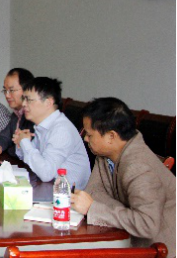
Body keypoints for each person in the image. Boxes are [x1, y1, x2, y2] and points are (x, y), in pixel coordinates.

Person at [71, 98, 176, 257]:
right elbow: (93, 192)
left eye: (90, 135)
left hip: (159, 249)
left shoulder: (139, 166)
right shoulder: (106, 154)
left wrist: (93, 208)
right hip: (126, 239)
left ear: (111, 136)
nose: (85, 139)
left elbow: (147, 224)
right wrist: (125, 211)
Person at [14, 77, 90, 189]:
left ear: (48, 102)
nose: (24, 104)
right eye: (23, 99)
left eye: (29, 100)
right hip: (50, 188)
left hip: (67, 195)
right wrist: (21, 143)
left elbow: (46, 173)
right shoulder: (44, 126)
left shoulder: (61, 130)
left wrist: (25, 142)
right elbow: (33, 161)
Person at [0, 68, 35, 156]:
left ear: (27, 90)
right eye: (5, 90)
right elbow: (4, 136)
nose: (7, 95)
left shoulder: (34, 116)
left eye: (11, 90)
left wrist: (9, 149)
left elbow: (22, 149)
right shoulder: (16, 115)